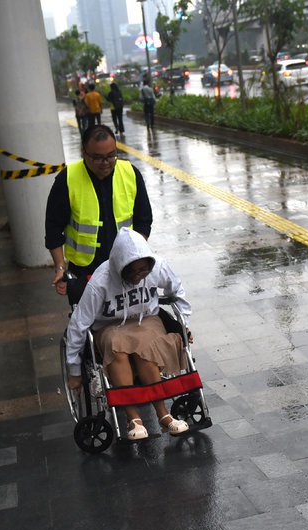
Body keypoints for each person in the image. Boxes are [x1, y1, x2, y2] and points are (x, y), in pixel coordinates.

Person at [65, 227, 191, 439]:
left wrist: (184, 324)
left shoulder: (158, 267)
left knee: (146, 346)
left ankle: (163, 415)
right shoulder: (101, 281)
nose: (138, 276)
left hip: (146, 320)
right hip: (109, 325)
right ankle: (133, 419)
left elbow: (177, 292)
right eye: (132, 272)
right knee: (117, 346)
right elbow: (79, 324)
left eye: (143, 271)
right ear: (119, 267)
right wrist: (74, 370)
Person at [44, 124, 153, 306]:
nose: (106, 162)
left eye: (111, 155)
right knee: (88, 324)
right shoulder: (67, 180)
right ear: (84, 152)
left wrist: (136, 256)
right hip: (84, 270)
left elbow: (144, 220)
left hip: (125, 267)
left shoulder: (130, 173)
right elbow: (53, 229)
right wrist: (60, 268)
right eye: (98, 158)